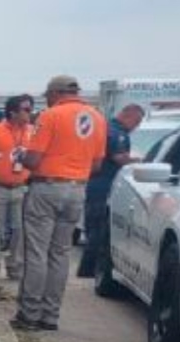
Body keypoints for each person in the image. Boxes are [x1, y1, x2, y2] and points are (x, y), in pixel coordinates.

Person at [12, 75, 107, 332]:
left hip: (47, 187)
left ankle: (29, 314)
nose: (47, 100)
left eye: (47, 96)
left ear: (56, 93)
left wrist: (22, 155)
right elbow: (97, 164)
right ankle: (50, 316)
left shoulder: (51, 115)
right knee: (60, 253)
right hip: (77, 189)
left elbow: (32, 160)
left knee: (36, 252)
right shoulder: (97, 118)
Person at [76, 103, 144, 278]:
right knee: (98, 229)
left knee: (96, 227)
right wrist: (141, 162)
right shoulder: (117, 133)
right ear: (128, 116)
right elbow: (119, 158)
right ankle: (89, 270)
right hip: (103, 186)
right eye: (136, 122)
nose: (136, 127)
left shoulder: (107, 128)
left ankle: (88, 269)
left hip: (98, 184)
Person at [0, 94, 36, 279]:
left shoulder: (32, 132)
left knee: (19, 230)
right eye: (26, 109)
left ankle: (15, 267)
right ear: (13, 112)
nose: (30, 113)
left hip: (21, 188)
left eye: (31, 109)